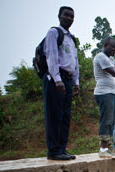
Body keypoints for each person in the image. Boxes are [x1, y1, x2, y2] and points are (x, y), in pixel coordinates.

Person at [43, 6, 79, 161]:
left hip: (68, 79)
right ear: (59, 16)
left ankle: (62, 149)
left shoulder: (71, 39)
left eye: (71, 16)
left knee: (65, 116)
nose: (69, 18)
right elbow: (51, 56)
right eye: (66, 15)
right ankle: (53, 150)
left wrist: (76, 81)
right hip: (55, 78)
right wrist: (57, 79)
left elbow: (75, 62)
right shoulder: (53, 33)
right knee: (54, 115)